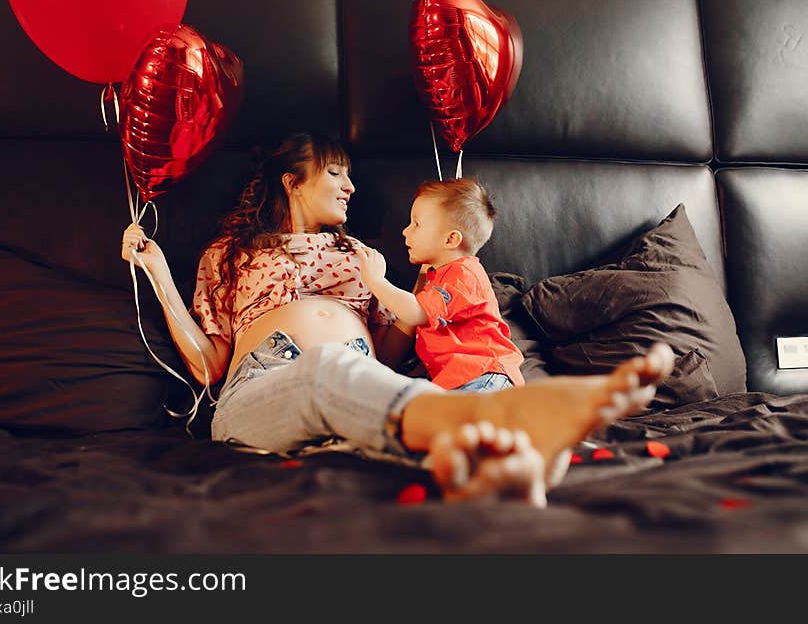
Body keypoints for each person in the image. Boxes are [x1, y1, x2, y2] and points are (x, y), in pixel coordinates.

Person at [121, 132, 674, 504]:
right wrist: (158, 271)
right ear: (291, 181)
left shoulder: (361, 256)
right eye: (336, 173)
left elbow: (388, 354)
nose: (351, 186)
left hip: (362, 378)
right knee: (325, 376)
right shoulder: (229, 254)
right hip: (261, 386)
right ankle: (505, 421)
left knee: (352, 416)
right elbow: (209, 367)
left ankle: (493, 465)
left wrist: (406, 293)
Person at [355, 177, 525, 393]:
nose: (405, 231)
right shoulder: (440, 276)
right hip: (466, 379)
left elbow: (415, 312)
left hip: (486, 373)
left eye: (416, 224)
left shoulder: (463, 274)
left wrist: (376, 281)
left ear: (450, 240)